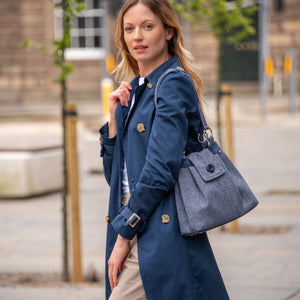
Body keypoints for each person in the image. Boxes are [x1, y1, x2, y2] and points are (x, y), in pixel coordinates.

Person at [99, 0, 230, 299]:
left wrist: (124, 234)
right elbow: (115, 178)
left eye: (148, 27)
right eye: (129, 29)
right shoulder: (135, 91)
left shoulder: (172, 83)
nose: (137, 37)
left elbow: (160, 170)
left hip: (158, 221)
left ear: (168, 31)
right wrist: (113, 122)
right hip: (133, 215)